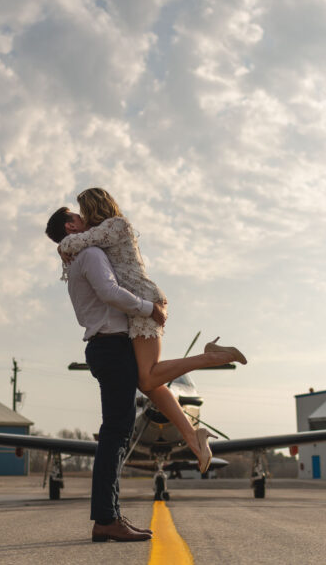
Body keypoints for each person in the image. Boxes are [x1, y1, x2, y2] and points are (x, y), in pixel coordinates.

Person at [56, 188, 247, 473]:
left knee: (147, 378)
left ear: (94, 208)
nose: (82, 217)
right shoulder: (102, 235)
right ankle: (194, 438)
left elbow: (77, 242)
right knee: (151, 384)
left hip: (146, 302)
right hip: (137, 306)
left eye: (83, 211)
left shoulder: (116, 225)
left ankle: (210, 357)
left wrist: (63, 246)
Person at [45, 207, 161, 543]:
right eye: (78, 216)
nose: (86, 218)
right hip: (111, 345)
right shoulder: (91, 254)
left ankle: (109, 516)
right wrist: (149, 308)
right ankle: (107, 519)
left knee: (116, 434)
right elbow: (110, 292)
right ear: (71, 226)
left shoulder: (77, 259)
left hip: (105, 346)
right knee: (116, 435)